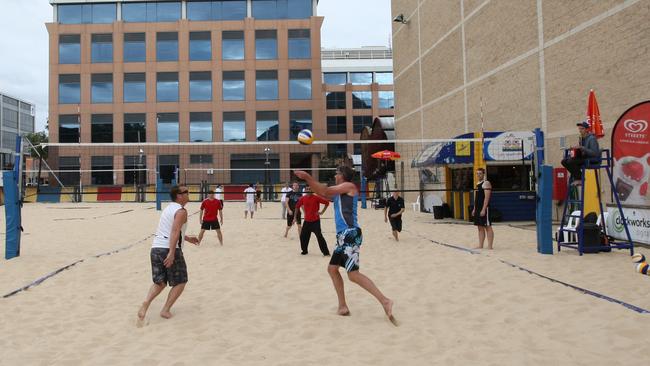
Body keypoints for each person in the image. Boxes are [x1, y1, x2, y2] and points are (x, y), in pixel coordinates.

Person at [294, 166, 395, 324]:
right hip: (343, 236)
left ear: (342, 176)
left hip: (350, 234)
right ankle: (343, 306)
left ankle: (385, 301)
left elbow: (325, 191)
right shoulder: (339, 193)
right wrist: (307, 180)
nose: (335, 175)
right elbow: (321, 192)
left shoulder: (349, 186)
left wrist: (307, 177)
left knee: (353, 275)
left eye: (336, 173)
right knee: (332, 269)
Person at [137, 185, 199, 324]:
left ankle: (145, 304)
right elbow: (175, 231)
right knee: (181, 281)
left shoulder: (168, 208)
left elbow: (171, 230)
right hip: (170, 249)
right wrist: (171, 252)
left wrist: (187, 238)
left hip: (156, 247)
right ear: (179, 196)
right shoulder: (181, 211)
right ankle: (165, 309)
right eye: (186, 192)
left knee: (160, 282)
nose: (189, 194)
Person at [561, 121, 601, 186]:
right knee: (564, 161)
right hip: (584, 158)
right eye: (579, 129)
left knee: (571, 161)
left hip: (591, 159)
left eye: (582, 129)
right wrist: (575, 149)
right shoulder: (581, 139)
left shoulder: (592, 139)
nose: (580, 130)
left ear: (587, 129)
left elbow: (595, 153)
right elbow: (582, 151)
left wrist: (582, 148)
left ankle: (580, 179)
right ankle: (577, 177)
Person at [295, 186, 330, 256]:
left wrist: (322, 212)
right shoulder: (303, 198)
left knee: (319, 237)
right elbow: (297, 207)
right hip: (307, 222)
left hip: (315, 221)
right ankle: (304, 251)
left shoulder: (316, 197)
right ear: (305, 190)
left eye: (309, 189)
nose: (308, 190)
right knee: (303, 236)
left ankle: (326, 253)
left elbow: (327, 203)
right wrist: (295, 217)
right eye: (307, 189)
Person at [472, 168, 494, 250]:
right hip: (478, 208)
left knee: (487, 226)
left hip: (484, 208)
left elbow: (487, 198)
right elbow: (477, 198)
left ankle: (490, 246)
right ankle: (481, 245)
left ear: (483, 174)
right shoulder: (478, 183)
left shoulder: (486, 183)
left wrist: (484, 209)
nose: (478, 175)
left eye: (480, 173)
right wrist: (474, 208)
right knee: (480, 227)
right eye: (477, 173)